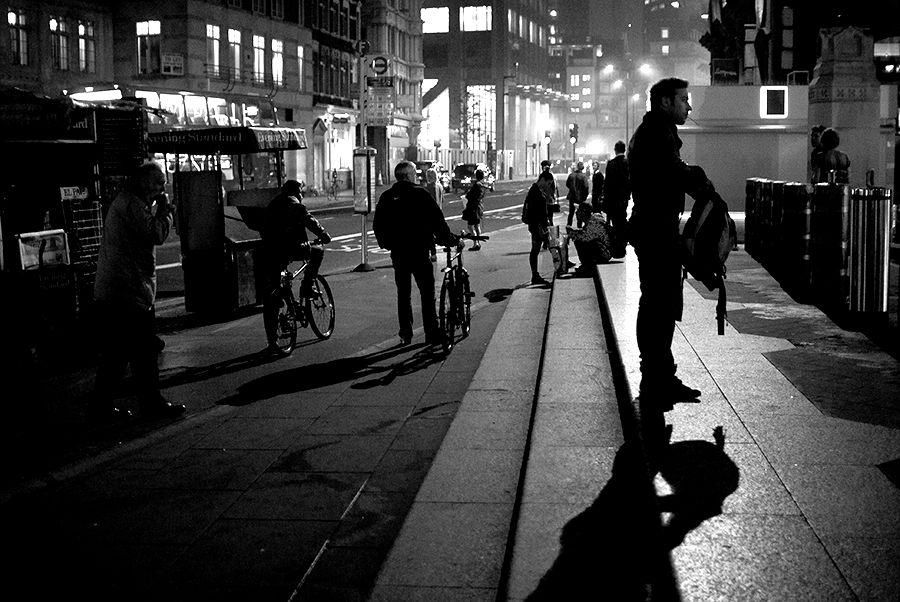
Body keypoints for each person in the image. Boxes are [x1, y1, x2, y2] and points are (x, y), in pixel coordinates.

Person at [627, 77, 713, 410]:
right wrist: (702, 181)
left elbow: (672, 171)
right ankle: (656, 379)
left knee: (659, 306)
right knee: (657, 306)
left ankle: (661, 376)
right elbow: (674, 172)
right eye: (684, 99)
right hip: (655, 231)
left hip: (654, 229)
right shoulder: (656, 134)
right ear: (665, 102)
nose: (688, 106)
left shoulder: (656, 131)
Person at [91, 161, 185, 420]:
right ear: (144, 182)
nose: (161, 189)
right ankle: (148, 404)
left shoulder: (130, 203)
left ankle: (106, 406)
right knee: (140, 353)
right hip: (127, 291)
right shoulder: (132, 205)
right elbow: (155, 234)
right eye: (158, 183)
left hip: (124, 290)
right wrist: (166, 212)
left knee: (121, 353)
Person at [373, 161, 460, 346]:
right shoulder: (421, 194)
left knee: (403, 294)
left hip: (398, 253)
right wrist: (449, 239)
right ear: (408, 175)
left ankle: (406, 332)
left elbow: (378, 225)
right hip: (420, 250)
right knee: (427, 293)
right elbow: (438, 221)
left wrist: (387, 244)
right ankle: (431, 333)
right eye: (414, 173)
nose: (416, 176)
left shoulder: (387, 196)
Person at [260, 179, 331, 302]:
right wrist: (323, 234)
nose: (301, 195)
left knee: (276, 273)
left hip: (269, 248)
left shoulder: (273, 204)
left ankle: (277, 296)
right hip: (291, 247)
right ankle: (307, 287)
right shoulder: (293, 203)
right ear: (294, 192)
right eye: (300, 192)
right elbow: (309, 220)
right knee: (317, 251)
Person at [523, 171, 557, 285]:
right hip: (538, 226)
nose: (548, 186)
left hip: (537, 225)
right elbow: (537, 212)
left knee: (541, 248)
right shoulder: (535, 192)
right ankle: (536, 275)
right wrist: (544, 225)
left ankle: (536, 274)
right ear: (542, 179)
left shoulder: (535, 190)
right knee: (537, 249)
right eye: (548, 183)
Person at [566, 201, 613, 272]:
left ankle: (587, 266)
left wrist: (572, 233)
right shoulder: (593, 218)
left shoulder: (593, 223)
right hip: (605, 250)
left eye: (578, 211)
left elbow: (585, 237)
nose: (576, 213)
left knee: (579, 242)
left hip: (604, 253)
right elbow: (586, 233)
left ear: (583, 213)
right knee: (580, 240)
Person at [603, 140, 631, 258]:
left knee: (615, 223)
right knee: (622, 221)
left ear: (615, 150)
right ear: (624, 150)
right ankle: (622, 245)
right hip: (623, 199)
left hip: (613, 199)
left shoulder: (611, 164)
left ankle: (616, 247)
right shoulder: (628, 163)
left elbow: (607, 184)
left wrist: (605, 200)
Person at [462, 169, 487, 250]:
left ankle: (475, 243)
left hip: (473, 207)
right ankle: (478, 242)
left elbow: (470, 196)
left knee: (470, 226)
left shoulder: (476, 185)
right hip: (479, 206)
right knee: (477, 225)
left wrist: (468, 193)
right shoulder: (483, 185)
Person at [424, 168, 445, 262]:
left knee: (428, 234)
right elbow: (441, 200)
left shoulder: (430, 187)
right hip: (439, 212)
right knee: (436, 233)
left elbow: (431, 201)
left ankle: (432, 254)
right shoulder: (439, 186)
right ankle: (434, 252)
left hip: (430, 214)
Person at [565, 161, 589, 228]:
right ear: (583, 168)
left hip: (572, 196)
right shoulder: (584, 177)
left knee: (571, 212)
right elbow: (586, 187)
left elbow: (567, 184)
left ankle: (569, 225)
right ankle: (579, 227)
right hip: (580, 197)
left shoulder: (571, 175)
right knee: (580, 213)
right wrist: (585, 197)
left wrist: (572, 189)